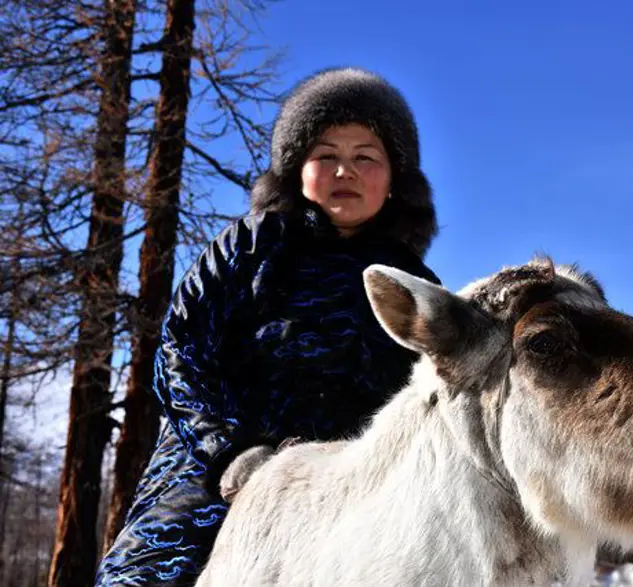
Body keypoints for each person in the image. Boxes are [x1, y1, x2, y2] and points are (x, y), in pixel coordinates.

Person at [95, 66, 440, 586]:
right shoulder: (250, 245)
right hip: (216, 467)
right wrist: (226, 452)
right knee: (145, 575)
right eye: (326, 156)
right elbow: (180, 348)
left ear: (395, 183)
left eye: (365, 157)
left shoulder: (412, 282)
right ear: (296, 171)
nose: (344, 170)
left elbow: (434, 390)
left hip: (346, 482)